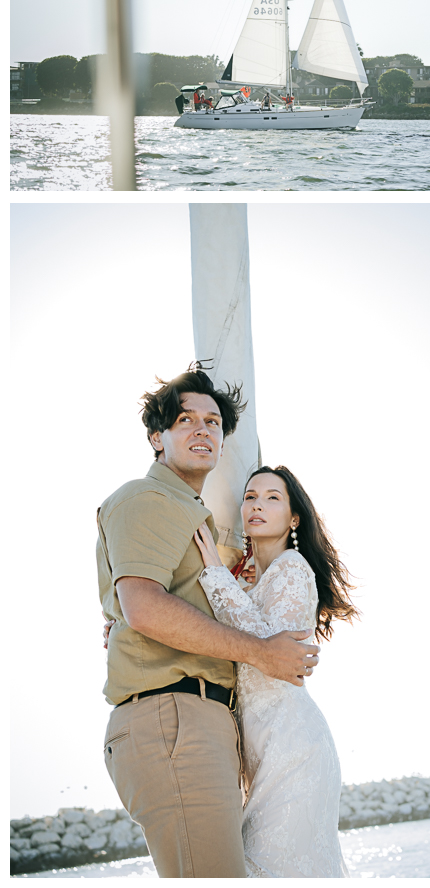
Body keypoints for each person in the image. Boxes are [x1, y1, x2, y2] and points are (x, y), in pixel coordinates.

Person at [97, 367, 319, 878]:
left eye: (213, 422)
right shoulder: (146, 499)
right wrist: (263, 652)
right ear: (157, 437)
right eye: (185, 420)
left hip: (202, 720)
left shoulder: (193, 517)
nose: (203, 430)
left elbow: (143, 604)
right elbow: (145, 607)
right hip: (173, 715)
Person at [194, 464, 359, 878]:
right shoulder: (253, 583)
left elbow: (269, 648)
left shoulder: (292, 567)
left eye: (272, 498)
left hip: (293, 747)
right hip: (266, 750)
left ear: (294, 517)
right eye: (250, 496)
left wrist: (215, 571)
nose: (257, 505)